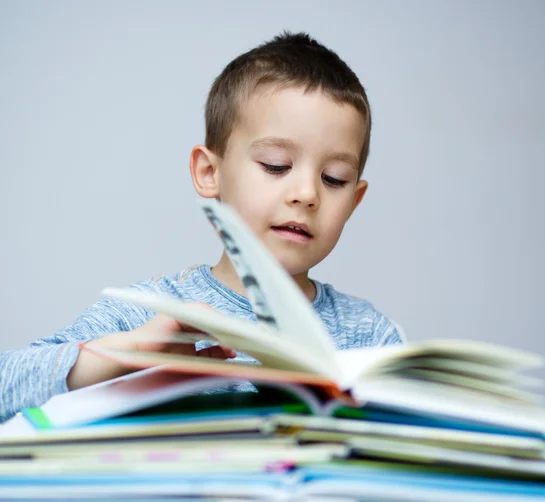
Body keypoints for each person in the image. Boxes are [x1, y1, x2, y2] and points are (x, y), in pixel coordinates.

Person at [0, 32, 405, 423]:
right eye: (276, 166)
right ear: (210, 172)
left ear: (353, 202)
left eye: (333, 178)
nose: (306, 193)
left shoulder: (368, 334)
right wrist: (125, 354)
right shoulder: (153, 314)